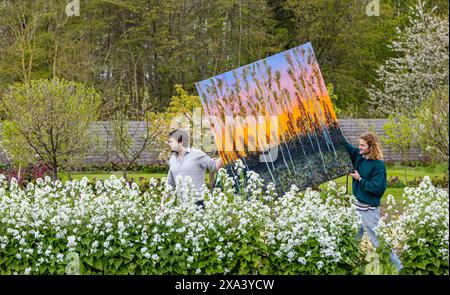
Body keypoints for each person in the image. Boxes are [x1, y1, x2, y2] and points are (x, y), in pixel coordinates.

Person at [345, 132, 403, 272]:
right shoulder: (359, 157)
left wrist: (360, 179)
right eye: (359, 144)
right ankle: (347, 267)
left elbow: (377, 189)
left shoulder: (378, 166)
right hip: (357, 207)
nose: (359, 147)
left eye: (362, 145)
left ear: (371, 146)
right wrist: (330, 130)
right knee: (351, 240)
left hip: (369, 211)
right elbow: (345, 146)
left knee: (379, 242)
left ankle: (399, 268)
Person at [166, 129, 223, 207]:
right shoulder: (172, 159)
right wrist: (162, 204)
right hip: (181, 206)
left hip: (198, 204)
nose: (169, 144)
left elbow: (215, 166)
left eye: (171, 141)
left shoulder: (197, 154)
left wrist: (226, 153)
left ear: (180, 142)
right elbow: (169, 184)